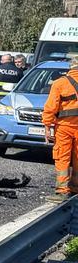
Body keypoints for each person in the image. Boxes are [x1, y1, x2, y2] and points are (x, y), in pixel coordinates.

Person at [44, 56, 78, 200]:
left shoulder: (60, 83)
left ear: (71, 67)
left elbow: (51, 107)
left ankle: (63, 191)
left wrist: (47, 126)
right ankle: (76, 187)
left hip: (64, 127)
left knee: (62, 157)